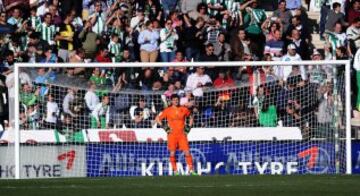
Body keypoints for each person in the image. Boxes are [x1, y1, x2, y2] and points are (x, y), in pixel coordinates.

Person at [155, 94, 196, 175]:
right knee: (172, 153)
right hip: (172, 135)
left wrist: (188, 128)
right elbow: (157, 119)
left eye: (177, 99)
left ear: (179, 100)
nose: (175, 101)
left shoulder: (184, 109)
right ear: (171, 101)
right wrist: (166, 128)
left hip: (182, 135)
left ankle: (191, 170)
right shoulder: (168, 110)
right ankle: (175, 171)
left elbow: (191, 117)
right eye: (174, 100)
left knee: (187, 152)